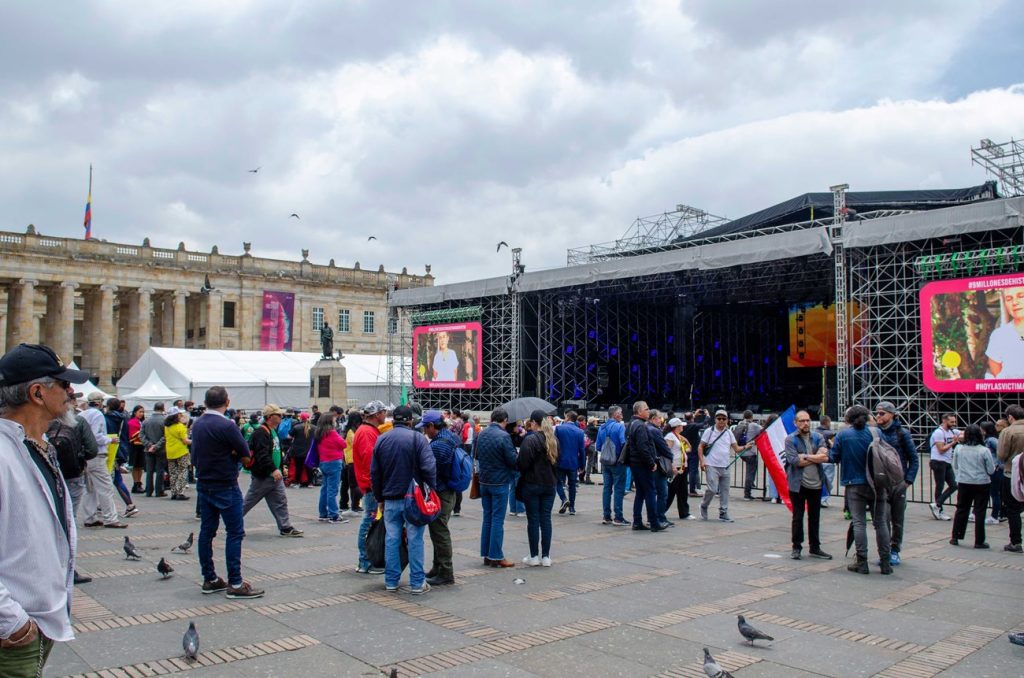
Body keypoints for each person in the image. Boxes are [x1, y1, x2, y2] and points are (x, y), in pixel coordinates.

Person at [0, 343, 87, 677]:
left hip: (40, 622)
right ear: (37, 392)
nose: (71, 391)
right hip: (13, 633)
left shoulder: (38, 446)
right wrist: (15, 624)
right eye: (63, 384)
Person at [191, 386, 263, 598]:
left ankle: (210, 578)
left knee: (207, 532)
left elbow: (195, 455)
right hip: (225, 483)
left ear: (205, 402)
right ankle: (235, 582)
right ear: (227, 402)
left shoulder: (197, 424)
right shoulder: (227, 425)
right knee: (235, 532)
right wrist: (232, 455)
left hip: (204, 483)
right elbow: (245, 455)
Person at [371, 405, 436, 594]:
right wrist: (430, 489)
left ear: (393, 420)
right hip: (413, 499)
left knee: (392, 539)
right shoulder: (418, 439)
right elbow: (429, 467)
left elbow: (375, 473)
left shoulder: (381, 439)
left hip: (390, 497)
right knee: (415, 539)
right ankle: (417, 583)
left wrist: (379, 497)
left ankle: (391, 581)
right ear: (410, 420)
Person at [830, 405, 892, 574]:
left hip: (854, 483)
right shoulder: (876, 432)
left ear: (848, 419)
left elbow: (833, 457)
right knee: (881, 523)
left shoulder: (843, 434)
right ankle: (885, 562)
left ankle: (862, 562)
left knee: (859, 523)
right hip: (877, 483)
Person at [243, 404, 303, 537]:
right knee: (248, 502)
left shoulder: (272, 430)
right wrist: (274, 469)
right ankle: (233, 523)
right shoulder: (261, 432)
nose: (281, 417)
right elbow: (262, 455)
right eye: (278, 415)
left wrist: (281, 468)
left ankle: (285, 527)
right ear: (270, 417)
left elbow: (276, 452)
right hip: (264, 475)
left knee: (280, 501)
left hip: (274, 476)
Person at [872, 402, 919, 566]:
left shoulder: (901, 433)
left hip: (898, 483)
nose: (878, 416)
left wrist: (907, 481)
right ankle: (884, 552)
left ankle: (895, 550)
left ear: (892, 415)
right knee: (882, 520)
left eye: (882, 413)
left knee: (897, 519)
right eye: (877, 413)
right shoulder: (875, 432)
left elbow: (914, 458)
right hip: (881, 483)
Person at [784, 410, 832, 560]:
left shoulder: (818, 437)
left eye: (808, 420)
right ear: (796, 423)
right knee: (798, 517)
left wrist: (805, 456)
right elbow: (795, 461)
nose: (805, 423)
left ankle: (815, 547)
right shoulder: (791, 439)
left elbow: (825, 457)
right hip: (798, 484)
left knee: (815, 517)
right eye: (802, 421)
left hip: (816, 483)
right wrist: (815, 457)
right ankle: (796, 547)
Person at [419, 410, 459, 585]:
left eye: (425, 428)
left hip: (441, 492)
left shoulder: (438, 445)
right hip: (449, 491)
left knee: (440, 532)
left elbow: (432, 472)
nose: (424, 432)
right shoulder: (450, 436)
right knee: (438, 531)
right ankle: (437, 567)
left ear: (432, 426)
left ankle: (446, 572)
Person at [476, 408, 518, 567]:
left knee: (487, 518)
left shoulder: (482, 434)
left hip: (484, 481)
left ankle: (486, 554)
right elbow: (512, 460)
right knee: (497, 520)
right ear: (504, 420)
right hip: (500, 482)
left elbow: (477, 456)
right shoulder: (504, 436)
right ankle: (496, 555)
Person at [79, 392, 127, 528]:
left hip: (84, 455)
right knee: (105, 487)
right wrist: (109, 440)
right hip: (97, 454)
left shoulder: (81, 414)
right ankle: (110, 518)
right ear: (99, 402)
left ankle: (90, 517)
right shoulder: (98, 414)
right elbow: (96, 436)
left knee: (90, 488)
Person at [518, 410, 558, 566]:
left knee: (533, 520)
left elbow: (522, 464)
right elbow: (557, 463)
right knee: (546, 519)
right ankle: (546, 556)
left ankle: (534, 556)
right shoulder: (553, 440)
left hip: (532, 484)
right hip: (550, 484)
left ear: (534, 423)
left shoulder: (530, 440)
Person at [949, 424, 995, 549]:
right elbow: (991, 469)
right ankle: (979, 541)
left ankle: (956, 536)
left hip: (964, 482)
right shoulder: (984, 450)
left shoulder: (959, 448)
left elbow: (955, 465)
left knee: (961, 509)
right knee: (980, 511)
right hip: (981, 482)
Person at [354, 400, 387, 574]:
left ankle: (366, 560)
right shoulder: (367, 432)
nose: (385, 415)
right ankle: (365, 561)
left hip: (369, 483)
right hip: (371, 485)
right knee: (369, 522)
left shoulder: (367, 430)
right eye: (383, 412)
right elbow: (370, 462)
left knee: (370, 521)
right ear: (376, 415)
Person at [698, 410, 747, 522]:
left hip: (725, 466)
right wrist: (702, 461)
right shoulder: (709, 431)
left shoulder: (729, 433)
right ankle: (704, 506)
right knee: (713, 489)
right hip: (711, 465)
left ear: (727, 420)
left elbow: (736, 448)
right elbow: (700, 446)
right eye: (719, 418)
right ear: (715, 419)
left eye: (723, 419)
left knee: (725, 490)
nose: (721, 421)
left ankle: (723, 512)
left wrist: (746, 446)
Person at [626, 401, 661, 531]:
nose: (648, 411)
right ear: (639, 411)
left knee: (640, 493)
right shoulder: (640, 426)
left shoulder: (632, 423)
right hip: (642, 464)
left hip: (635, 463)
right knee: (650, 492)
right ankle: (654, 522)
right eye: (646, 409)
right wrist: (651, 463)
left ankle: (637, 521)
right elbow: (643, 447)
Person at [997, 404, 1024, 553]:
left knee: (1013, 509)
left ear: (1010, 417)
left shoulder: (1008, 431)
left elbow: (1001, 455)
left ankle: (1016, 542)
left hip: (1012, 474)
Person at [597, 406, 628, 526]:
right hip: (617, 462)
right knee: (619, 489)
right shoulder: (620, 426)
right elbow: (623, 443)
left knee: (606, 489)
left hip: (605, 461)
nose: (622, 415)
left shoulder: (602, 427)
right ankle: (618, 517)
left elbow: (599, 446)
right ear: (615, 415)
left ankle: (606, 516)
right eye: (620, 413)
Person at [314, 412, 347, 523]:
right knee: (332, 490)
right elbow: (343, 444)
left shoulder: (319, 433)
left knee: (325, 489)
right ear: (330, 422)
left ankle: (323, 513)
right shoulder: (332, 433)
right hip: (334, 463)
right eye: (334, 420)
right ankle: (334, 515)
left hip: (323, 462)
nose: (335, 421)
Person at [985, 286, 1024, 378]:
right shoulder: (999, 335)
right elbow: (995, 368)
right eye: (1009, 299)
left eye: (1021, 296)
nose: (1014, 303)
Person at [929, 413, 961, 520]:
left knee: (953, 485)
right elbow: (941, 449)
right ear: (944, 421)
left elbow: (964, 433)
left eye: (954, 421)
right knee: (940, 485)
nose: (954, 424)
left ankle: (937, 504)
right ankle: (939, 509)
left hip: (946, 462)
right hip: (938, 461)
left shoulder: (951, 431)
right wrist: (954, 443)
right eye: (951, 422)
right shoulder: (939, 432)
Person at [663, 417, 694, 521]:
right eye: (681, 425)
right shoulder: (670, 437)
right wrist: (671, 467)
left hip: (682, 467)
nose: (682, 427)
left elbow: (688, 449)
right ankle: (661, 512)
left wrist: (686, 441)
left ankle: (684, 513)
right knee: (671, 491)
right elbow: (667, 452)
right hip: (675, 467)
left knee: (683, 491)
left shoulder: (679, 437)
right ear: (676, 427)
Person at [554, 411, 585, 516]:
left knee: (557, 482)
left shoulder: (559, 429)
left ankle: (563, 498)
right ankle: (572, 507)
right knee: (572, 485)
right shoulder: (580, 432)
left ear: (567, 417)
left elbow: (555, 445)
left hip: (560, 461)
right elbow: (582, 450)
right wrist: (582, 465)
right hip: (573, 462)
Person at [649, 411, 675, 529]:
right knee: (662, 493)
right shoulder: (655, 430)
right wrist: (671, 458)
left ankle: (654, 517)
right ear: (654, 419)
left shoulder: (645, 427)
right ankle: (659, 517)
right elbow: (664, 448)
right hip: (659, 465)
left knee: (652, 492)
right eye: (659, 418)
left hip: (651, 463)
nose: (661, 420)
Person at [140, 401, 167, 497]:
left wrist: (149, 445)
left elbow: (141, 435)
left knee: (149, 470)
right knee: (160, 470)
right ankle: (159, 490)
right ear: (163, 408)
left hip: (148, 449)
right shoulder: (164, 420)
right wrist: (156, 446)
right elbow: (165, 436)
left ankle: (148, 490)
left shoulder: (146, 420)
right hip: (161, 449)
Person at [164, 407, 192, 500]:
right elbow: (185, 440)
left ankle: (173, 492)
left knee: (173, 473)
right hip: (181, 451)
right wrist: (194, 441)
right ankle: (180, 492)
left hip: (170, 451)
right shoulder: (180, 426)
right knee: (183, 471)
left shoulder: (167, 427)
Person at [734, 410, 762, 500]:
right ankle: (747, 493)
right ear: (751, 416)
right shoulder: (753, 425)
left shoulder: (740, 424)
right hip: (750, 452)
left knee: (750, 471)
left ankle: (750, 484)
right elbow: (764, 430)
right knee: (750, 473)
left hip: (741, 452)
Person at [340, 410, 363, 514]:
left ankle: (347, 504)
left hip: (349, 460)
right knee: (354, 485)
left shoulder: (349, 430)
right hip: (352, 461)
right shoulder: (351, 432)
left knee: (348, 484)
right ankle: (354, 506)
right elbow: (356, 443)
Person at [682, 410, 707, 495]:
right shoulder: (693, 426)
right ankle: (692, 489)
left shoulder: (682, 426)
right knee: (693, 471)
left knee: (685, 470)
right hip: (693, 450)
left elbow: (688, 421)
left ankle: (683, 488)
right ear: (692, 418)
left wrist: (694, 415)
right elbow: (704, 423)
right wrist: (706, 414)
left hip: (685, 450)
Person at [982, 421, 1002, 524]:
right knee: (991, 493)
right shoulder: (988, 440)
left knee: (994, 493)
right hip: (991, 469)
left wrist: (998, 465)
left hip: (995, 470)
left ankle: (995, 515)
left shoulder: (992, 440)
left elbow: (1001, 452)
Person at [287, 411, 313, 487]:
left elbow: (289, 436)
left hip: (297, 450)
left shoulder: (296, 427)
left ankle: (298, 482)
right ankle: (310, 483)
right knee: (309, 467)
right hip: (309, 451)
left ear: (301, 418)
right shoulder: (314, 427)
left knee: (298, 467)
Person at [817, 415, 837, 507]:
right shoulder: (831, 433)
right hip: (828, 459)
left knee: (818, 480)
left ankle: (817, 498)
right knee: (828, 480)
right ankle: (823, 499)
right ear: (828, 422)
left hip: (817, 459)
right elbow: (834, 446)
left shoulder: (814, 432)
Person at [126, 404, 146, 493]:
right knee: (135, 466)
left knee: (140, 466)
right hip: (134, 446)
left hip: (142, 446)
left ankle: (139, 483)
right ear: (135, 413)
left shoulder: (142, 422)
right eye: (140, 412)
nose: (141, 414)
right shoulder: (132, 422)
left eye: (142, 412)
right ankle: (135, 483)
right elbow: (132, 435)